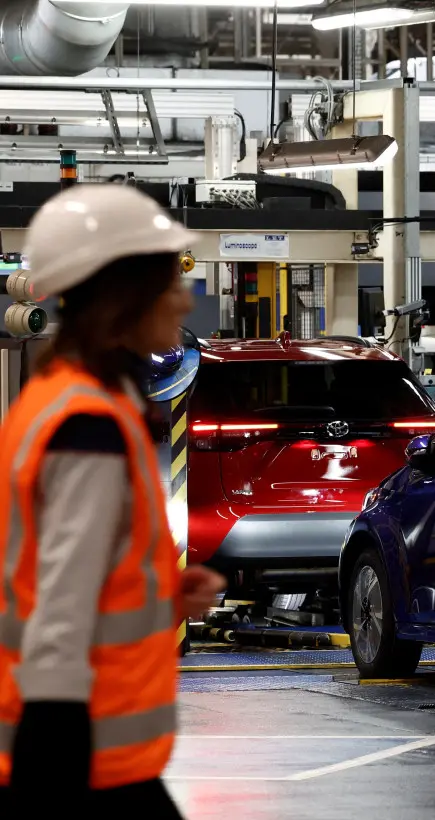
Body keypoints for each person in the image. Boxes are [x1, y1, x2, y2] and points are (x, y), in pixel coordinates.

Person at [0, 185, 226, 815]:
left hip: (86, 749)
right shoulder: (88, 426)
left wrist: (164, 595)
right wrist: (51, 764)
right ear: (121, 295)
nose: (183, 298)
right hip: (78, 752)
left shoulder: (64, 397)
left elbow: (68, 573)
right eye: (167, 281)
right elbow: (61, 607)